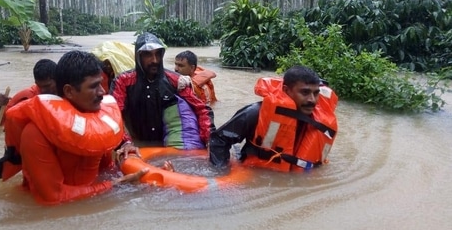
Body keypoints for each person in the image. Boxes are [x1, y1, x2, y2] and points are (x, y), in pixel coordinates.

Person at [0, 51, 147, 205]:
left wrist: (145, 175)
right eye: (93, 86)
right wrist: (115, 185)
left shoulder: (97, 125)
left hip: (91, 199)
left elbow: (107, 170)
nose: (102, 92)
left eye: (101, 83)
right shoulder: (34, 134)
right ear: (69, 91)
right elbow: (53, 198)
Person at [209, 65, 339, 172]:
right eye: (305, 93)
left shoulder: (321, 123)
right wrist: (222, 172)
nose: (312, 100)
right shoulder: (255, 113)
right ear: (286, 90)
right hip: (255, 171)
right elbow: (219, 139)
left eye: (316, 93)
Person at [110, 32, 215, 152]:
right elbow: (114, 115)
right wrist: (125, 142)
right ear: (139, 56)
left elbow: (201, 109)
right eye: (148, 55)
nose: (154, 60)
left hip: (167, 144)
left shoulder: (176, 80)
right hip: (135, 142)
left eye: (157, 54)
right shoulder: (123, 81)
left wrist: (210, 139)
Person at [0, 59, 57, 127]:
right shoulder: (27, 97)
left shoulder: (66, 93)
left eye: (47, 86)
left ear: (57, 80)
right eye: (39, 86)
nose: (43, 90)